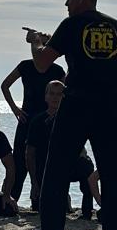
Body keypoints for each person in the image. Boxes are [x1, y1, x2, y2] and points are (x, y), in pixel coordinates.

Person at [28, 0, 117, 230]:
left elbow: (41, 63)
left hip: (76, 104)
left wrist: (37, 42)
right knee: (113, 173)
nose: (66, 3)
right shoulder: (116, 26)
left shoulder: (71, 24)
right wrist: (111, 87)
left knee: (56, 170)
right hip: (109, 106)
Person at [1, 36, 66, 201]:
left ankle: (43, 198)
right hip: (27, 118)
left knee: (46, 159)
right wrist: (15, 108)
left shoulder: (57, 70)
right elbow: (5, 85)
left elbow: (66, 93)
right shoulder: (25, 66)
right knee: (20, 160)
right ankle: (11, 198)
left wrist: (60, 114)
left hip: (49, 119)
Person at [25, 80, 98, 218]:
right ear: (46, 96)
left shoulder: (74, 119)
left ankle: (87, 211)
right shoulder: (37, 121)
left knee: (87, 166)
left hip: (69, 163)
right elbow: (30, 153)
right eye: (52, 94)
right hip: (46, 167)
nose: (55, 97)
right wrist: (34, 182)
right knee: (43, 209)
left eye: (59, 94)